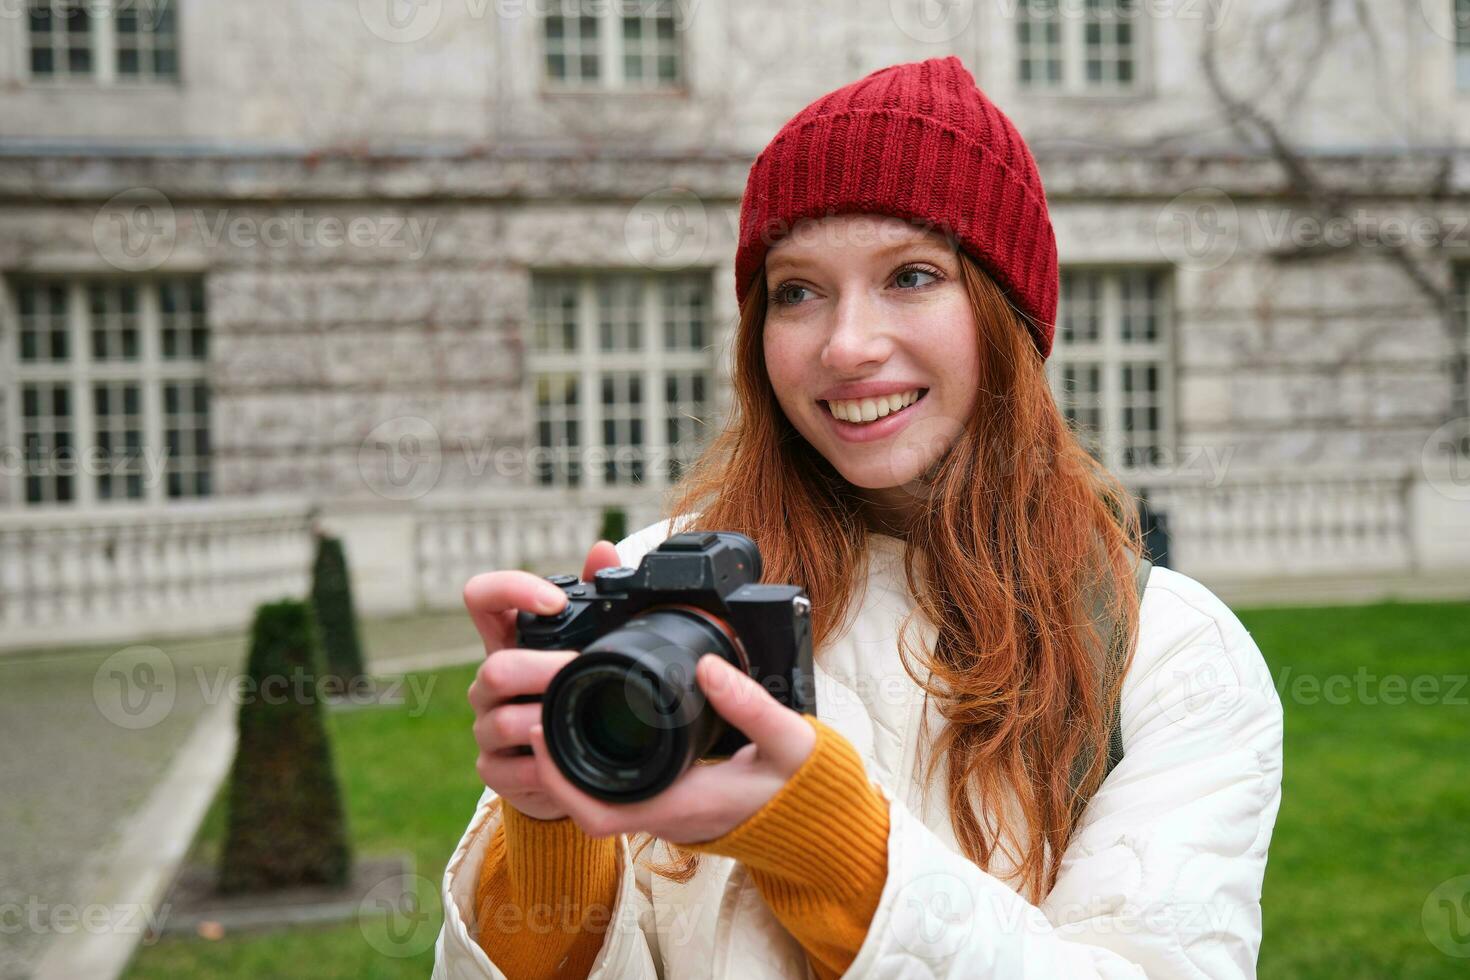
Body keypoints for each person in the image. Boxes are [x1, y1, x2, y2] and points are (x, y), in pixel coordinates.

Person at [434, 55, 1284, 979]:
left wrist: (832, 841)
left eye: (912, 275)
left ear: (1006, 315)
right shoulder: (656, 589)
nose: (847, 346)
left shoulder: (1168, 654)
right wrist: (551, 824)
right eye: (797, 291)